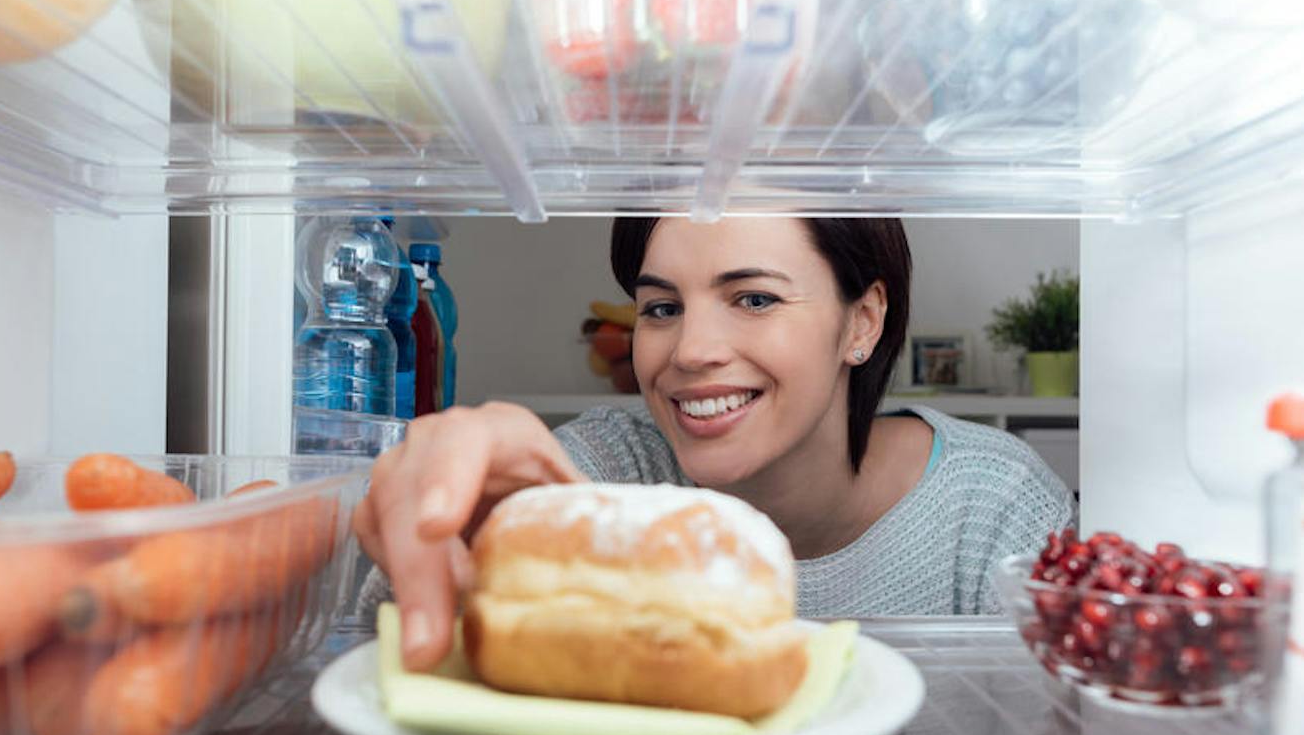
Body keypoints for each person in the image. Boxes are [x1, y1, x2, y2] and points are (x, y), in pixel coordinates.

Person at [354, 216, 1074, 669]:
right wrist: (446, 523)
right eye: (661, 308)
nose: (691, 350)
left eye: (754, 298)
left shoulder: (993, 507)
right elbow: (397, 637)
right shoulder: (612, 473)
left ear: (862, 322)